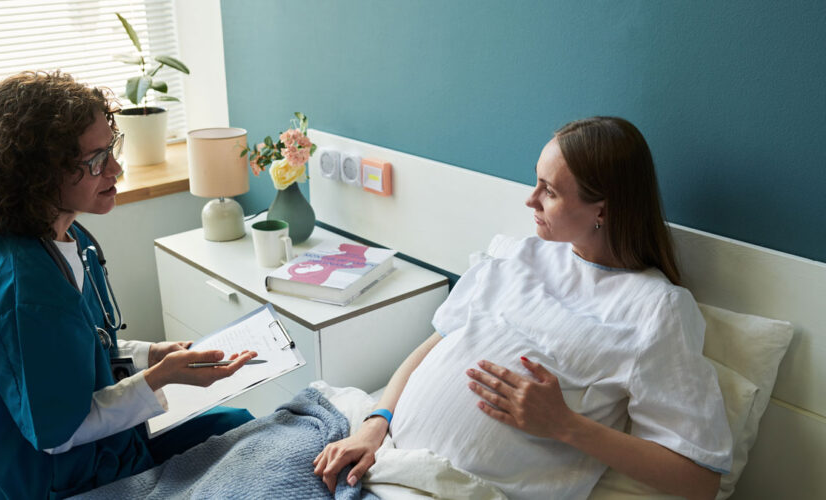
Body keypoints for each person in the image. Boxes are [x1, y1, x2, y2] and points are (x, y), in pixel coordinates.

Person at [313, 117, 732, 499]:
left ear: (601, 210)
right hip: (377, 458)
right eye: (537, 183)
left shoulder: (656, 310)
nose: (531, 201)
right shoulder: (522, 256)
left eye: (549, 191)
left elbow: (699, 480)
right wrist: (374, 423)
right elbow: (434, 346)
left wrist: (564, 424)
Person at [0, 71, 258, 499]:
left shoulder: (70, 240)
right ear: (39, 176)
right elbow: (57, 434)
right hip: (57, 481)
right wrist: (155, 379)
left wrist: (153, 354)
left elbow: (84, 344)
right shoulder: (24, 292)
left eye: (111, 149)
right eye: (95, 161)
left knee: (238, 424)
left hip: (104, 449)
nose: (116, 168)